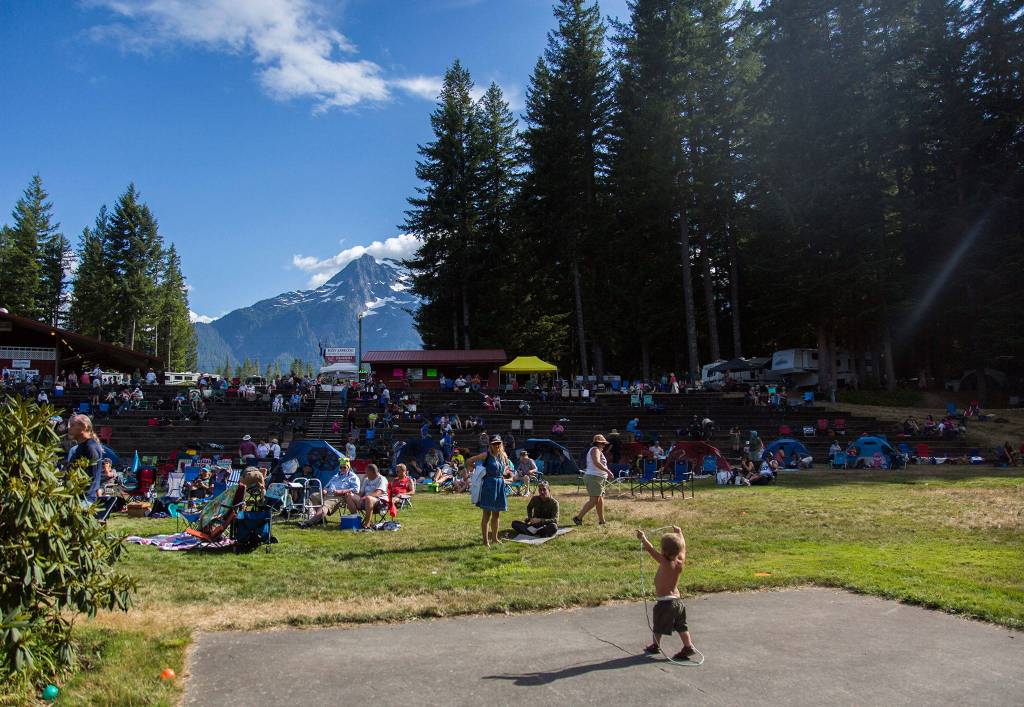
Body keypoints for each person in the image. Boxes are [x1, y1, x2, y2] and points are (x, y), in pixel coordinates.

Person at [637, 526, 697, 661]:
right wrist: (679, 533)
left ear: (664, 551)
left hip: (665, 602)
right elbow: (684, 548)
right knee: (682, 626)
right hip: (678, 602)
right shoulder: (680, 561)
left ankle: (655, 645)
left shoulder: (664, 562)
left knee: (658, 625)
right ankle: (688, 646)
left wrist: (643, 539)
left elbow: (651, 550)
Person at [465, 435, 510, 547]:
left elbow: (506, 469)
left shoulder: (503, 455)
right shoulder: (486, 455)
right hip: (489, 485)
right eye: (494, 443)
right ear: (490, 444)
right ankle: (485, 541)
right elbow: (469, 461)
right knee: (487, 514)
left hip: (499, 484)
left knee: (497, 514)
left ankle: (495, 539)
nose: (497, 445)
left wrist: (505, 474)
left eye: (499, 443)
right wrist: (478, 469)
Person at [299, 458, 360, 527]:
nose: (342, 469)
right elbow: (327, 486)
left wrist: (341, 491)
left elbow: (356, 489)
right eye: (341, 467)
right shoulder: (336, 476)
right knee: (313, 496)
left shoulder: (353, 477)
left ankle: (309, 522)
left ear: (348, 467)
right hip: (328, 494)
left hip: (339, 496)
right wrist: (324, 490)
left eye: (344, 467)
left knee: (325, 505)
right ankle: (321, 519)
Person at [66, 414, 106, 506]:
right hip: (78, 497)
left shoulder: (90, 447)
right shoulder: (82, 446)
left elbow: (91, 476)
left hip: (85, 499)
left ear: (84, 427)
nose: (69, 428)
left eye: (72, 425)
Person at [574, 434, 613, 526]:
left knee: (599, 500)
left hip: (598, 478)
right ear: (598, 443)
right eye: (603, 444)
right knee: (594, 500)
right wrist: (608, 471)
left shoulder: (598, 450)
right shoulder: (595, 449)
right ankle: (578, 518)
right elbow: (596, 462)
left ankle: (602, 521)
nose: (604, 445)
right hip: (593, 477)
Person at [345, 463, 389, 529]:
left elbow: (378, 493)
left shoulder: (382, 479)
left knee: (369, 498)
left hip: (379, 501)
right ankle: (356, 520)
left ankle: (367, 524)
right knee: (349, 496)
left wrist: (364, 498)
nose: (365, 474)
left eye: (366, 472)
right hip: (364, 500)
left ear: (372, 472)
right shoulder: (366, 479)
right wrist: (353, 495)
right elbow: (361, 493)